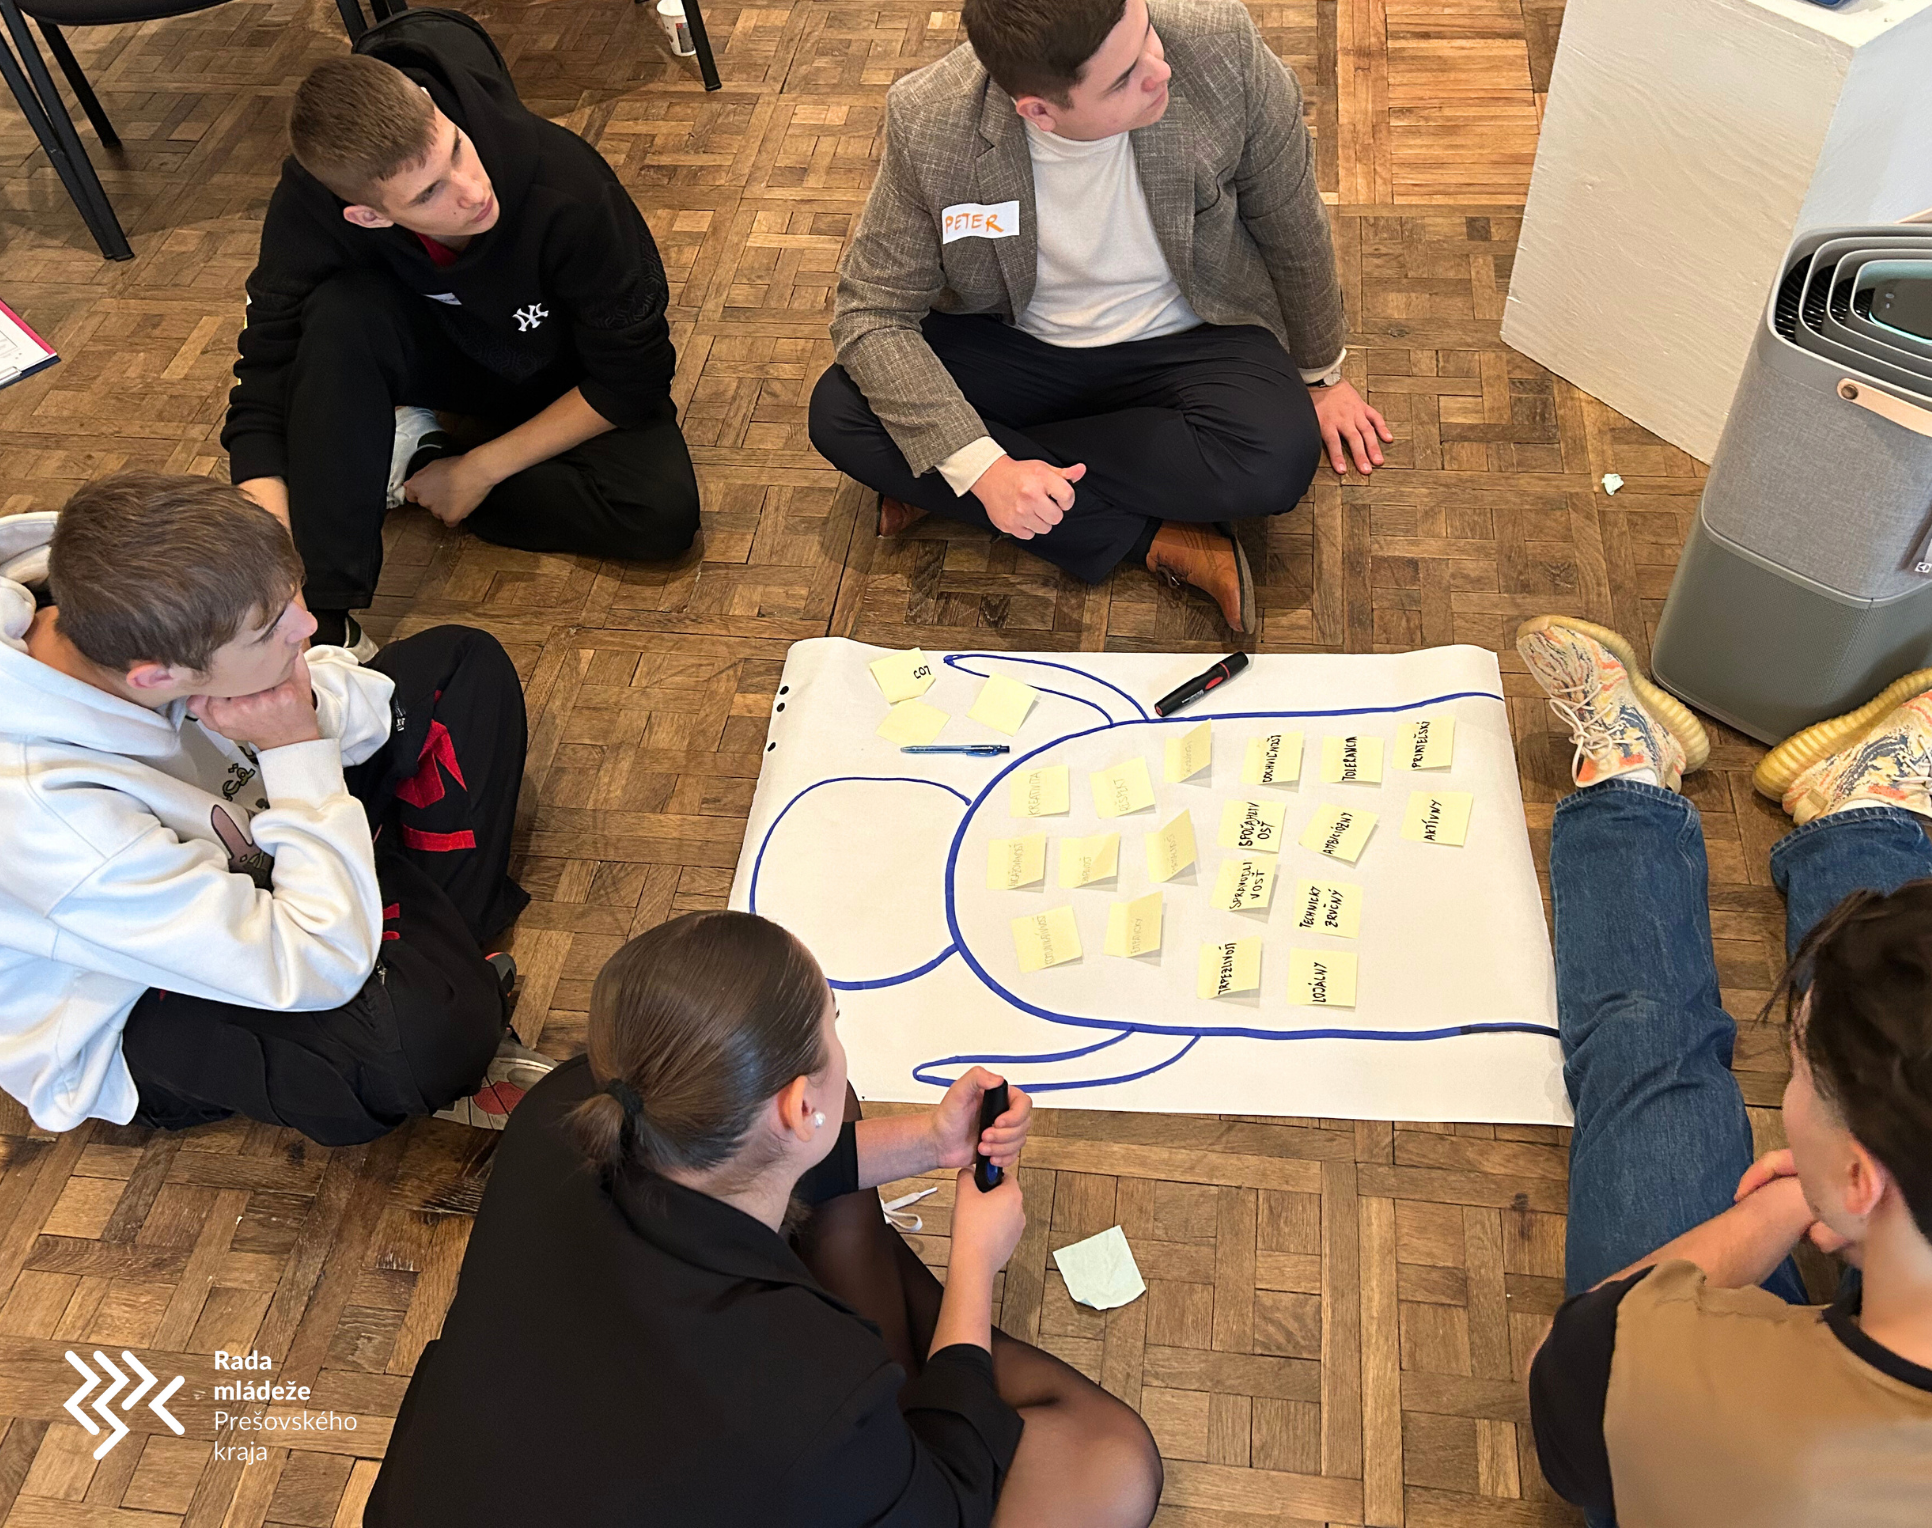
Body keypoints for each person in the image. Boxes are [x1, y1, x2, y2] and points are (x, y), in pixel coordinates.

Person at [367, 909, 1163, 1527]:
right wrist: (975, 1264)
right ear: (797, 1105)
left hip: (481, 1479)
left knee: (844, 1142)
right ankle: (918, 1386)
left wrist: (932, 1141)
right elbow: (946, 1503)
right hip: (746, 1446)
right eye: (834, 1019)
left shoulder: (571, 1101)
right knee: (1111, 1461)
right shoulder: (800, 1385)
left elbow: (757, 1152)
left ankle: (912, 1389)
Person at [1514, 615, 1932, 1527]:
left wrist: (1783, 1204)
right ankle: (1861, 809)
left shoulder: (1697, 1402)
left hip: (1740, 1439)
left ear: (1863, 1179)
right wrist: (1851, 1203)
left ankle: (1631, 786)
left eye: (1803, 1064)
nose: (1793, 1084)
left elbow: (1562, 1373)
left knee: (1648, 1059)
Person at [810, 0, 1389, 635]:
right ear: (1038, 109)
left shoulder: (1222, 48)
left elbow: (1290, 217)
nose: (1159, 69)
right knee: (840, 411)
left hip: (1188, 338)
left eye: (1146, 33)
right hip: (1017, 344)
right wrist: (987, 471)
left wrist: (1321, 373)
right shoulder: (931, 121)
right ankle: (1156, 540)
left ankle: (947, 481)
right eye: (1122, 80)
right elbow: (871, 312)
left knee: (1278, 460)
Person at [0, 472, 546, 1144]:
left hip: (251, 834)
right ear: (158, 678)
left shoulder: (116, 586)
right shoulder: (50, 818)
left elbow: (355, 698)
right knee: (422, 1041)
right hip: (125, 992)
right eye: (268, 630)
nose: (308, 625)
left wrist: (300, 712)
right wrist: (292, 748)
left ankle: (427, 955)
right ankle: (432, 964)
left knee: (462, 666)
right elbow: (310, 962)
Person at [223, 26, 700, 659]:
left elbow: (634, 377)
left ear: (433, 106)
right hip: (439, 353)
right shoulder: (312, 207)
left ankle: (417, 459)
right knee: (338, 313)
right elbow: (264, 376)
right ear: (369, 216)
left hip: (565, 374)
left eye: (455, 149)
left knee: (660, 514)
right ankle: (331, 624)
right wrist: (281, 585)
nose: (472, 190)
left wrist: (478, 469)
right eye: (429, 193)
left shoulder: (568, 186)